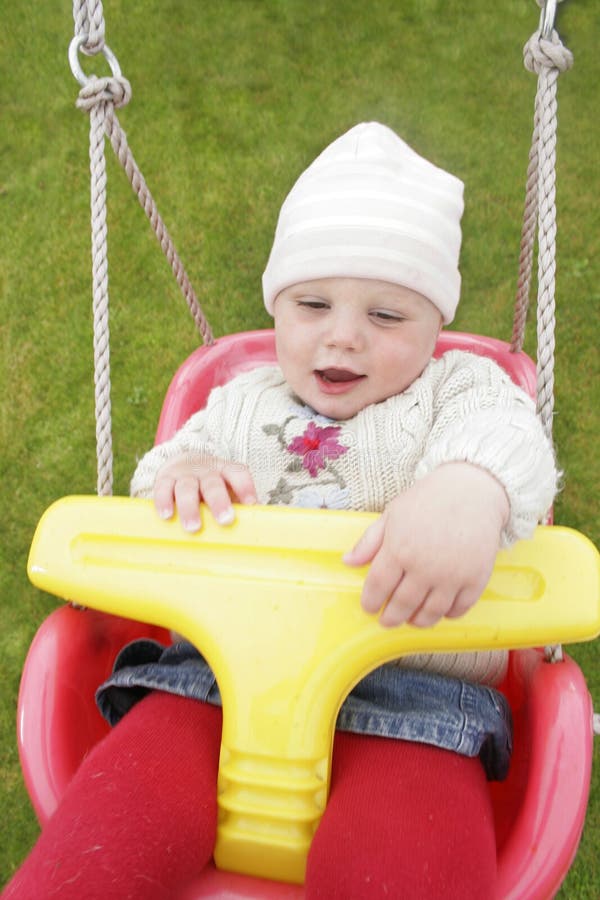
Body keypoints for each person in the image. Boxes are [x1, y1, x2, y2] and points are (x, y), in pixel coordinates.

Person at [3, 123, 557, 900]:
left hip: (413, 697)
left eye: (388, 317)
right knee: (114, 821)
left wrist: (468, 487)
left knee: (405, 862)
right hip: (216, 683)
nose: (343, 335)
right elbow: (157, 481)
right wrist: (185, 474)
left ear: (438, 329)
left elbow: (514, 442)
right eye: (312, 303)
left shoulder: (460, 391)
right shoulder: (239, 402)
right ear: (277, 307)